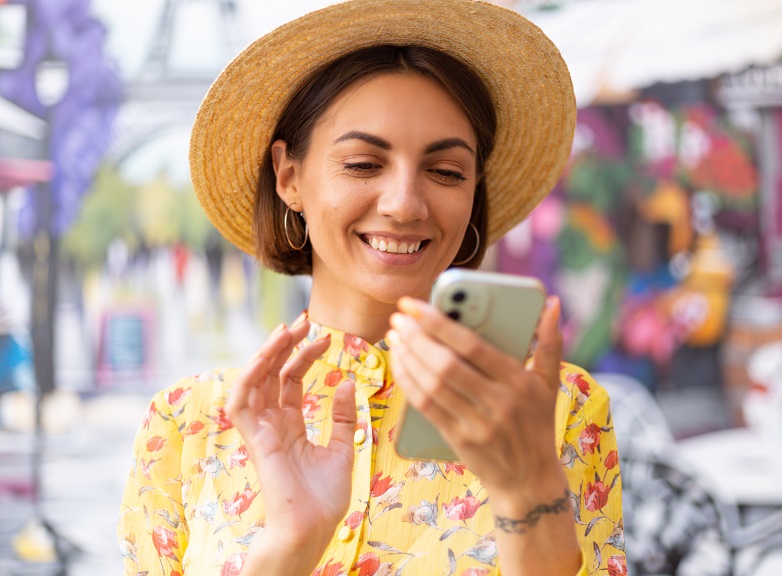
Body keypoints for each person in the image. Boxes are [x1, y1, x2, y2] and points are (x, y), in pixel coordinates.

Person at [117, 1, 625, 575]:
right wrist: (289, 548)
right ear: (289, 177)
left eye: (447, 171)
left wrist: (529, 493)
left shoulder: (557, 410)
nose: (405, 203)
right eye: (362, 163)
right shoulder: (187, 424)